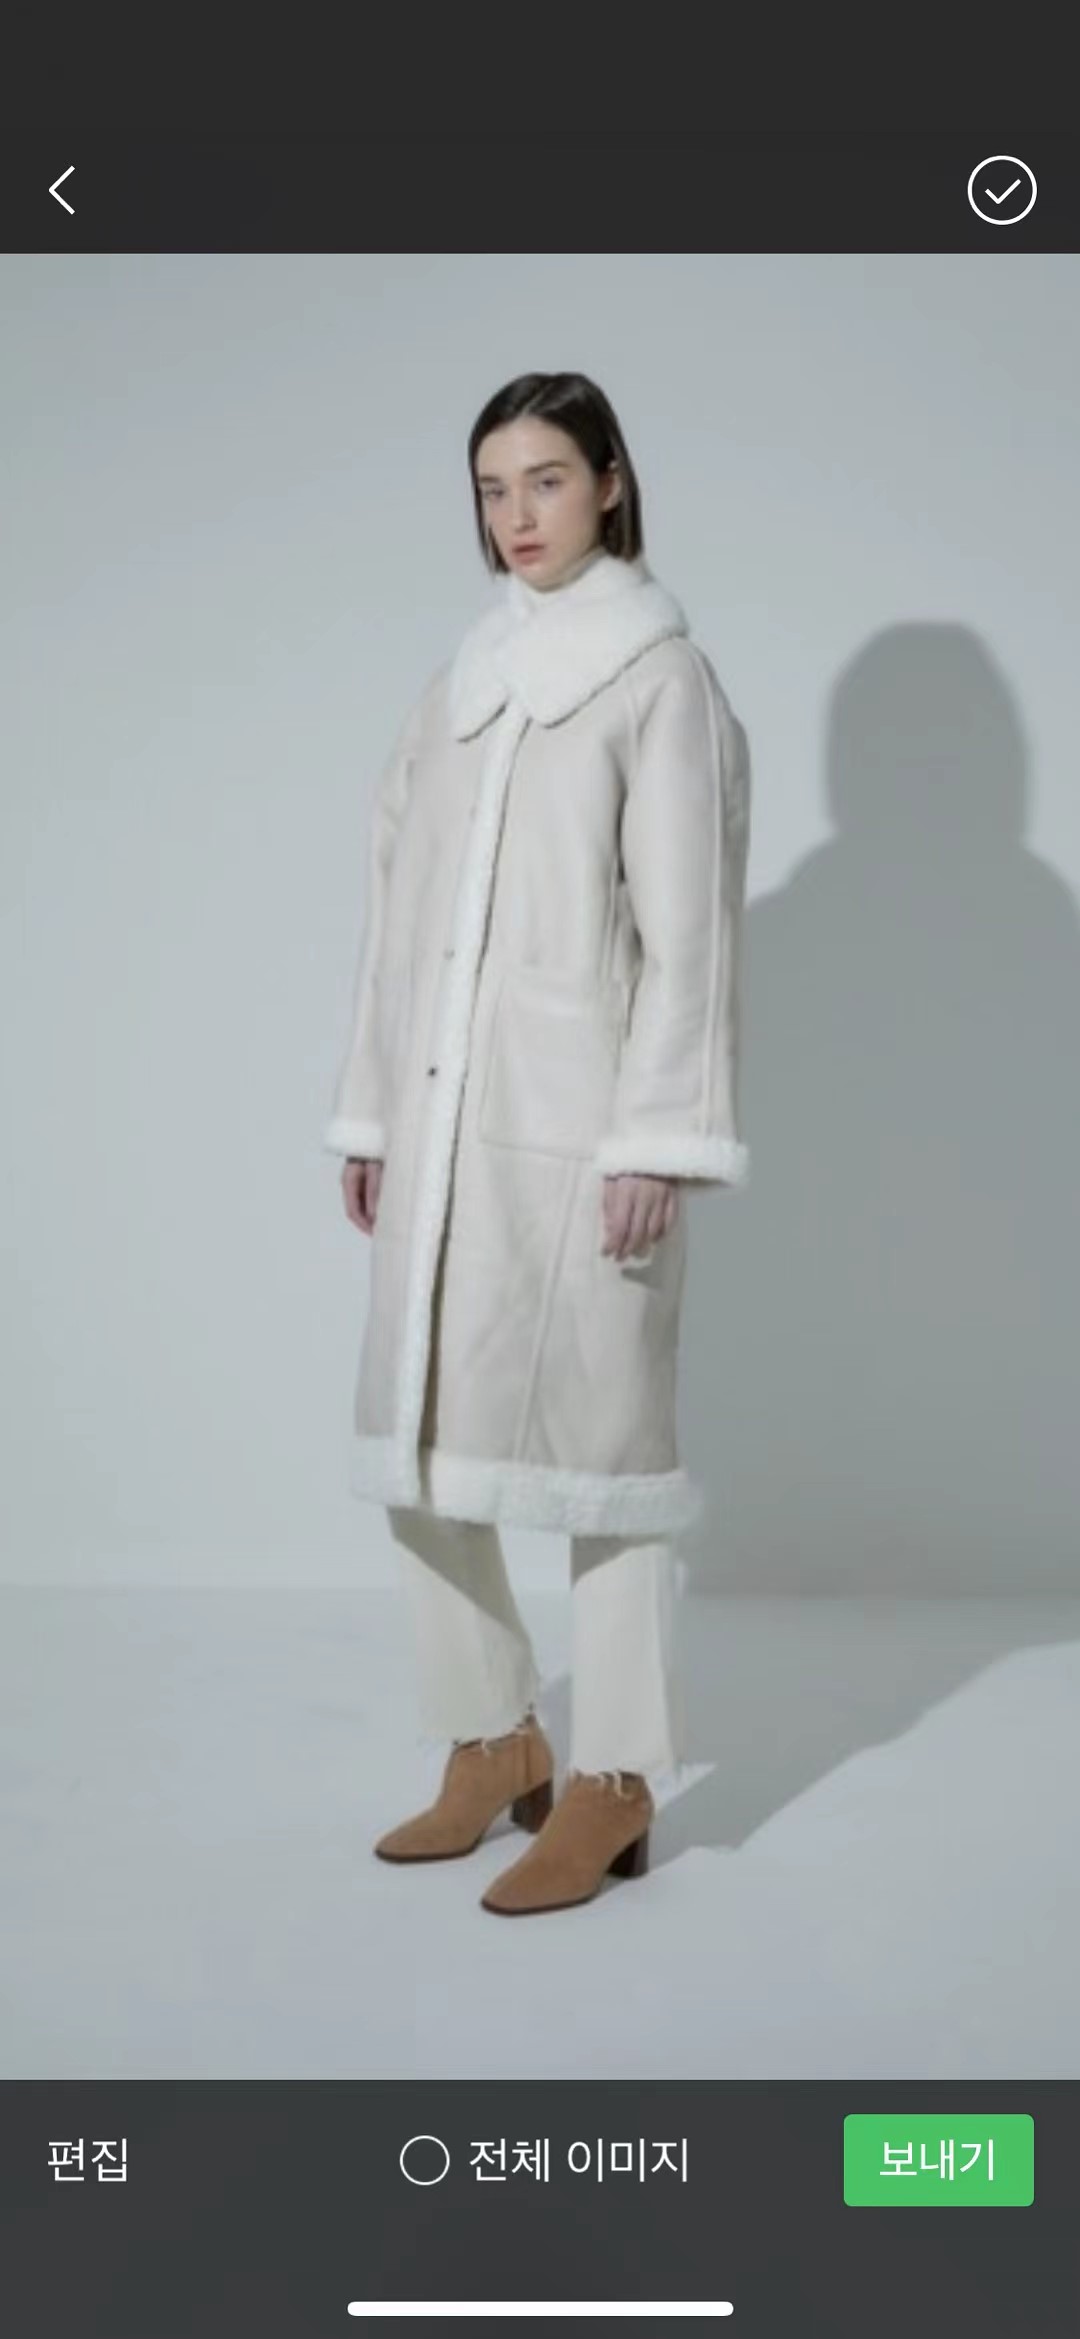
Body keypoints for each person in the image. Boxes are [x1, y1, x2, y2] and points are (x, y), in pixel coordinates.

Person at [323, 370, 751, 1918]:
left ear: (612, 482)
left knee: (606, 1459)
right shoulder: (461, 687)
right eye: (493, 488)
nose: (516, 514)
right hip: (442, 1132)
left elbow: (691, 935)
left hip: (581, 1136)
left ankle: (615, 1778)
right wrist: (373, 1108)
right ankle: (492, 1735)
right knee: (419, 1440)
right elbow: (395, 916)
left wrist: (658, 1140)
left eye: (548, 480)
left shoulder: (656, 679)